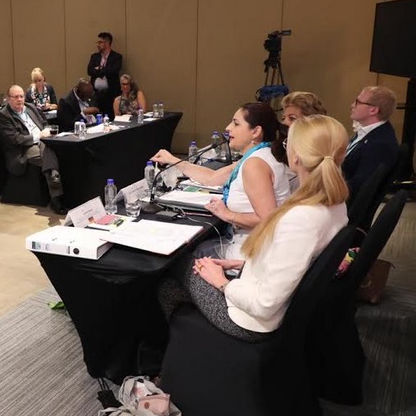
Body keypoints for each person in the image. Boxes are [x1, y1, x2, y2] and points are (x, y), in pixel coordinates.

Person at [158, 115, 349, 341]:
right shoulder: (336, 204)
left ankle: (180, 356)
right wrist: (241, 265)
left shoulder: (300, 219)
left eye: (287, 143)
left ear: (296, 156)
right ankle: (182, 355)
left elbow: (265, 304)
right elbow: (296, 264)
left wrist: (221, 282)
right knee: (169, 288)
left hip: (250, 321)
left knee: (172, 265)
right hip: (264, 297)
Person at [152, 102, 291, 260]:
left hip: (253, 252)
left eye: (236, 123)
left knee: (182, 255)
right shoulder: (261, 154)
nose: (228, 128)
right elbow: (213, 178)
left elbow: (267, 219)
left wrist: (227, 214)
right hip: (252, 243)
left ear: (256, 131)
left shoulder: (255, 164)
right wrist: (173, 160)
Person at [0, 85, 66, 215]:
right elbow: (16, 139)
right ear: (8, 99)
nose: (19, 99)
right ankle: (56, 197)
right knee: (48, 154)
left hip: (43, 142)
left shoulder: (30, 107)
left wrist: (46, 130)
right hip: (23, 150)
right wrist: (39, 136)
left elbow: (44, 123)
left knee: (50, 149)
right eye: (15, 97)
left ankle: (54, 177)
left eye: (21, 96)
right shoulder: (3, 116)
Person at [342, 85, 399, 204]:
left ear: (373, 110)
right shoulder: (370, 132)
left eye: (358, 102)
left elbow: (358, 187)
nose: (352, 105)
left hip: (343, 202)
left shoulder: (379, 144)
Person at [87, 32, 123, 118]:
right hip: (96, 94)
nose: (97, 45)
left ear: (107, 43)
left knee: (109, 117)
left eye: (100, 42)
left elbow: (113, 71)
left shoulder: (116, 57)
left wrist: (99, 69)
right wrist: (103, 70)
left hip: (110, 94)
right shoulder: (94, 57)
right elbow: (89, 71)